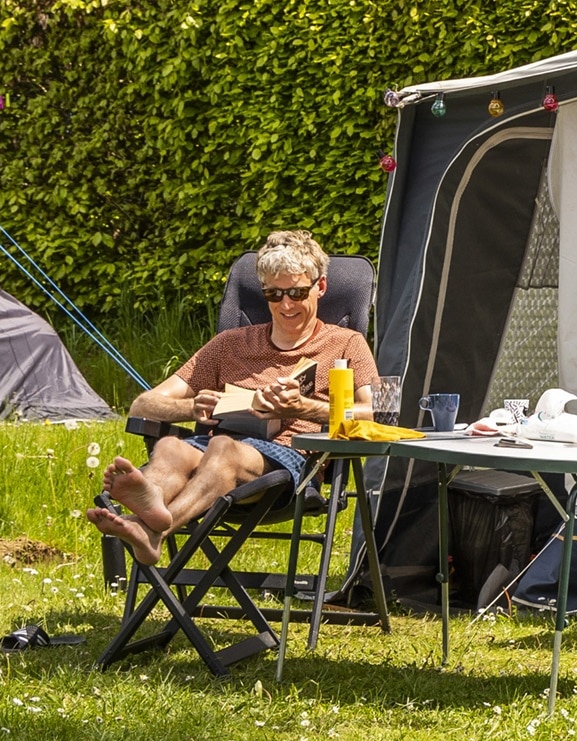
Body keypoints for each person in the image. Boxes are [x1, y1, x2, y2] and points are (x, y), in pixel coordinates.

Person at [87, 229, 380, 567]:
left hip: (289, 463)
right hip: (212, 451)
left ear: (321, 287)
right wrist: (191, 407)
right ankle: (150, 510)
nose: (286, 304)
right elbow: (143, 404)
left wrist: (303, 407)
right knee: (169, 446)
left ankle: (155, 529)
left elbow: (373, 414)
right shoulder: (229, 344)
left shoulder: (345, 343)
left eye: (298, 292)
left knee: (221, 447)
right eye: (273, 294)